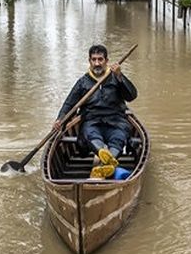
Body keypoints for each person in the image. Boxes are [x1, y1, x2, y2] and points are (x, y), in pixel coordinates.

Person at [54, 44, 138, 179]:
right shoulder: (83, 82)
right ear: (89, 61)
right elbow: (69, 104)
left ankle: (108, 161)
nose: (97, 63)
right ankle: (105, 156)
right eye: (94, 60)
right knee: (89, 133)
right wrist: (60, 119)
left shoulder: (115, 77)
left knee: (119, 136)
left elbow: (132, 96)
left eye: (100, 59)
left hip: (116, 121)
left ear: (106, 61)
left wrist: (120, 77)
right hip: (92, 122)